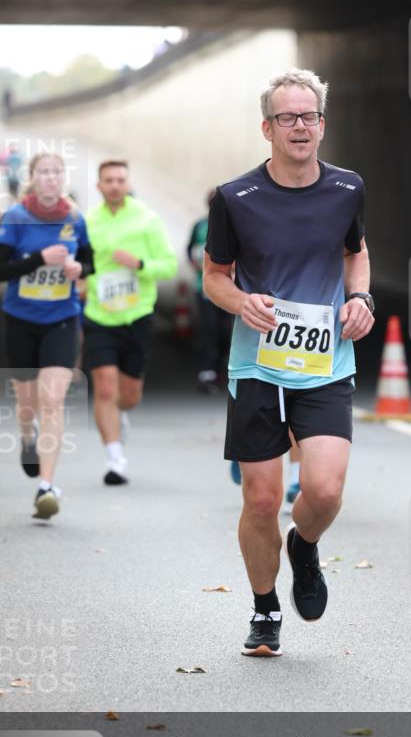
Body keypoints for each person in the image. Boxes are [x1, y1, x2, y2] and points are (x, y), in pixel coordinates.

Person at [204, 68, 375, 658]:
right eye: (286, 118)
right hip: (257, 366)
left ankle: (303, 545)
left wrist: (361, 298)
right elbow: (214, 280)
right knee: (259, 499)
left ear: (322, 125)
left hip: (325, 361)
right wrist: (241, 300)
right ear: (267, 127)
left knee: (324, 491)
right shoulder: (234, 198)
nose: (298, 127)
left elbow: (356, 255)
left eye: (308, 117)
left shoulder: (347, 189)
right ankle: (264, 608)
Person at [0, 152, 93, 520]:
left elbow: (89, 260)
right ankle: (27, 438)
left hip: (61, 320)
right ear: (33, 179)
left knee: (52, 401)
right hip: (20, 320)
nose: (51, 178)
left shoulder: (74, 217)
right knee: (28, 403)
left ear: (62, 178)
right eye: (44, 173)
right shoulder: (16, 217)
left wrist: (78, 267)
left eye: (56, 172)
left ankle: (46, 487)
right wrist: (39, 259)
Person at [82, 160, 177, 485]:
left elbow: (168, 265)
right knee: (104, 387)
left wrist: (139, 263)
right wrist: (80, 281)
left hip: (136, 315)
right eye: (108, 180)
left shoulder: (147, 219)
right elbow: (80, 265)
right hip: (98, 315)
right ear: (98, 186)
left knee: (129, 395)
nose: (114, 185)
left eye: (120, 179)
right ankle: (115, 459)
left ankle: (122, 414)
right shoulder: (87, 222)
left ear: (127, 183)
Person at [187, 191, 232, 393]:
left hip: (231, 290)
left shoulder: (235, 224)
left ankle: (222, 368)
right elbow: (190, 250)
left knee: (225, 330)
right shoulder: (200, 226)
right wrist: (197, 265)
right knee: (208, 329)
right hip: (204, 288)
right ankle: (207, 371)